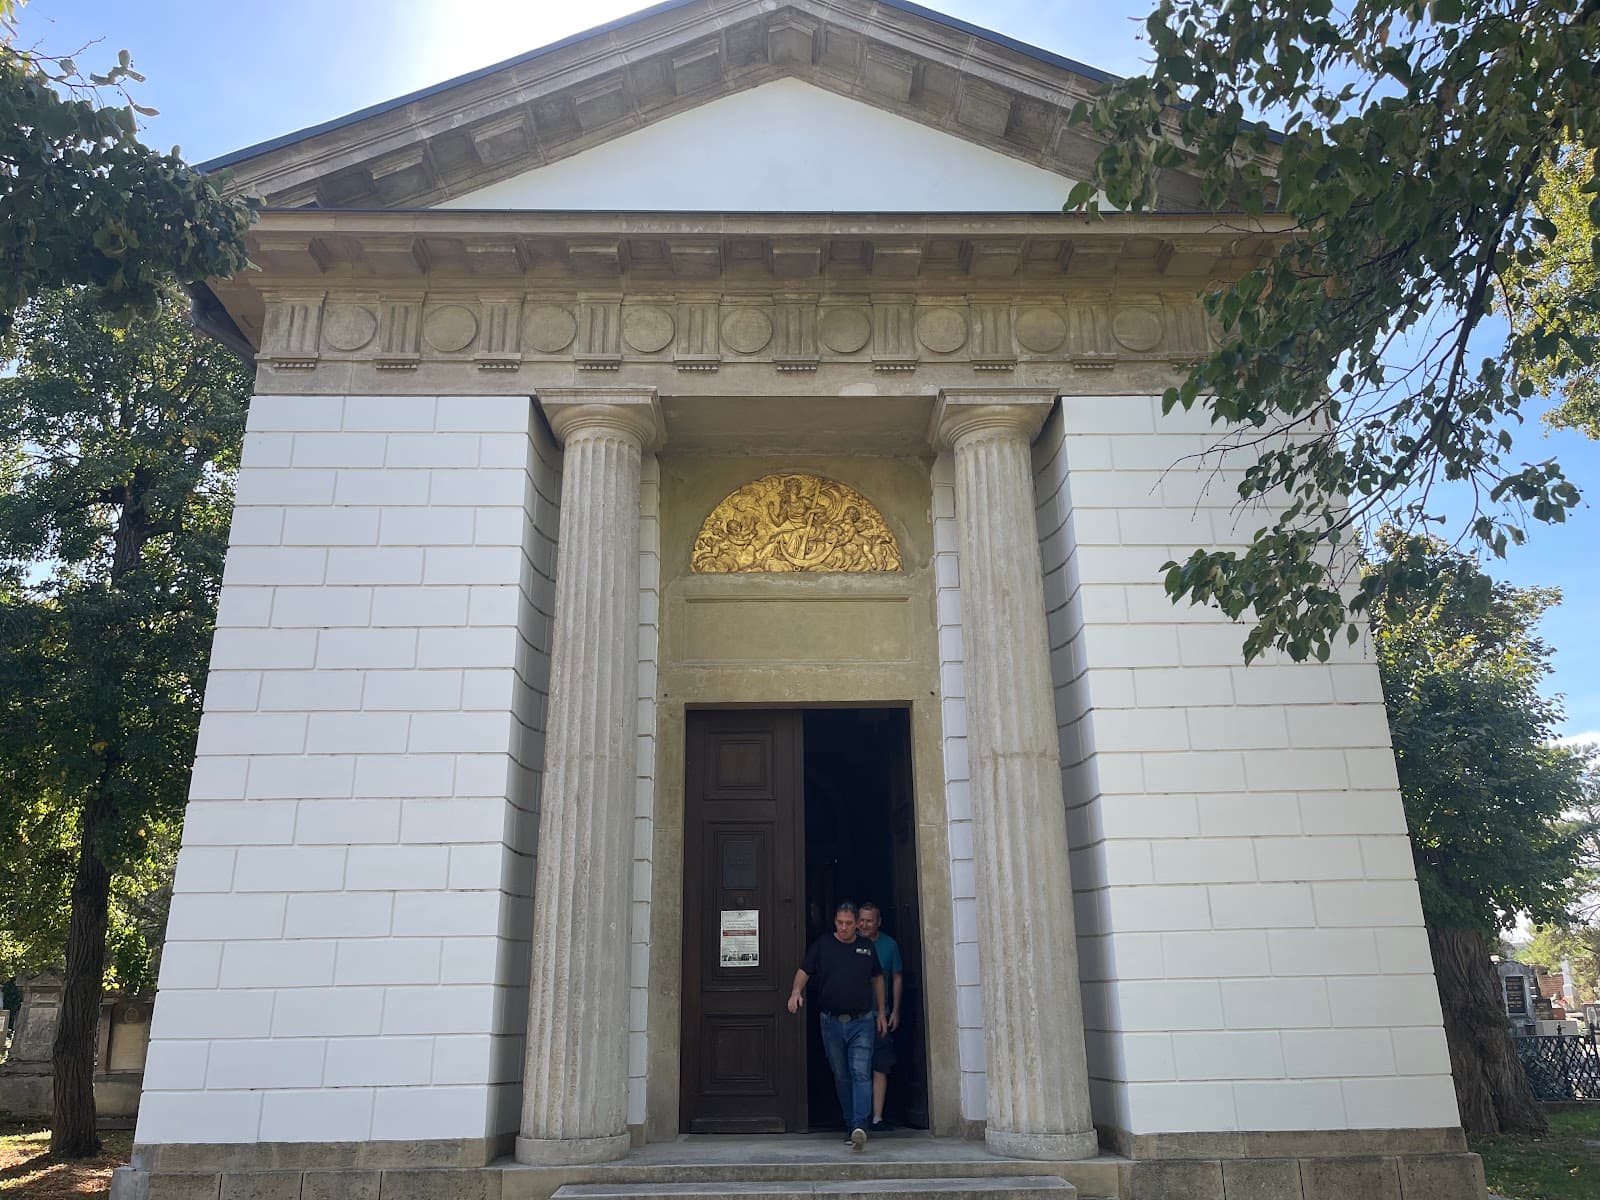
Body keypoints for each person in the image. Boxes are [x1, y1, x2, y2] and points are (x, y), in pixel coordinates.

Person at [787, 900, 886, 1151]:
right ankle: (849, 1123)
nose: (844, 928)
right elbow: (804, 970)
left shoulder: (866, 947)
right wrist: (796, 991)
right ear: (835, 921)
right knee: (842, 1076)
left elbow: (877, 979)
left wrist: (881, 1012)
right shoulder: (823, 945)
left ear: (856, 925)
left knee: (861, 1073)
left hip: (862, 1021)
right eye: (840, 923)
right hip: (831, 1022)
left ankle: (859, 1126)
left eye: (849, 924)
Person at [856, 901, 903, 1131]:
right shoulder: (848, 942)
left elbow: (896, 977)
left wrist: (895, 1009)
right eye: (861, 920)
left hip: (879, 1015)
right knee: (857, 1068)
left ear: (878, 922)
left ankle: (877, 1117)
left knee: (880, 1065)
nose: (864, 925)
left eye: (869, 920)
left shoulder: (889, 945)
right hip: (855, 1014)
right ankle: (858, 1118)